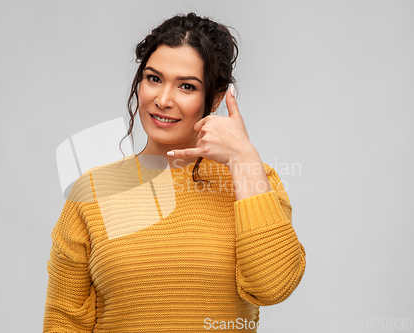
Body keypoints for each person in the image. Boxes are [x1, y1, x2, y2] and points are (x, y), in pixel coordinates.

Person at [43, 12, 306, 332]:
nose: (163, 100)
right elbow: (64, 320)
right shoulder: (93, 191)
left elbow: (272, 287)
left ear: (217, 97)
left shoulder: (253, 181)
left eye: (186, 86)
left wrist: (245, 159)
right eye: (154, 78)